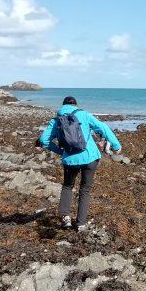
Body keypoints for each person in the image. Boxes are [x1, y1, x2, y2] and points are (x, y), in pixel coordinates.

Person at [39, 96, 122, 231]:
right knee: (85, 189)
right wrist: (116, 145)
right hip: (90, 157)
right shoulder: (84, 114)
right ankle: (81, 223)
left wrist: (61, 152)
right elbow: (103, 128)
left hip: (69, 160)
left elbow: (44, 140)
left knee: (67, 186)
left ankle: (65, 218)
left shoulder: (56, 120)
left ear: (63, 106)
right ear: (76, 105)